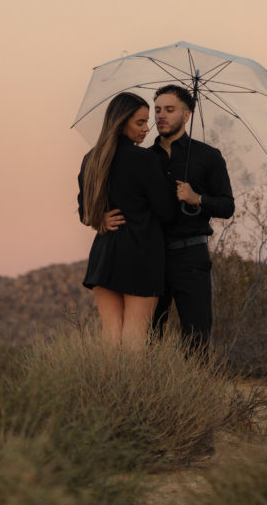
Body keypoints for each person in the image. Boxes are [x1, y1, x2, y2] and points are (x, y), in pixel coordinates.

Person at [105, 84, 234, 350]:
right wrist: (100, 218)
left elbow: (227, 206)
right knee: (147, 336)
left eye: (169, 110)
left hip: (191, 256)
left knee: (197, 337)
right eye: (158, 110)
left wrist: (198, 198)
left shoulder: (208, 157)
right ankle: (150, 391)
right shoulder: (142, 157)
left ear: (186, 115)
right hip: (150, 256)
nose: (160, 116)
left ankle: (195, 391)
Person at [77, 91, 176, 349]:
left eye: (146, 122)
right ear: (121, 123)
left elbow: (84, 212)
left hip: (104, 253)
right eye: (140, 123)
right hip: (140, 254)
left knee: (111, 335)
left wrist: (99, 218)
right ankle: (131, 391)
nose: (146, 129)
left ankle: (108, 389)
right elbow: (166, 212)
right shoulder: (144, 159)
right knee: (135, 335)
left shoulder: (92, 159)